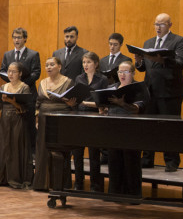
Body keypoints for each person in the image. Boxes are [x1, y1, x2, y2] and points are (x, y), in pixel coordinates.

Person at [134, 12, 183, 172]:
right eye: (156, 24)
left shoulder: (179, 41)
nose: (158, 27)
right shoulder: (149, 42)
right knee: (149, 127)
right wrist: (139, 62)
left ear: (170, 25)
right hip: (150, 91)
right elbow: (144, 68)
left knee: (169, 128)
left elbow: (182, 62)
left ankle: (172, 162)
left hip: (170, 92)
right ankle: (147, 159)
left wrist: (163, 60)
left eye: (162, 24)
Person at [33, 56, 77, 191]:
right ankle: (42, 183)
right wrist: (36, 119)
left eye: (52, 64)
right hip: (43, 119)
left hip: (60, 119)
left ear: (59, 66)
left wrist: (71, 105)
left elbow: (74, 103)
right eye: (47, 65)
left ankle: (59, 184)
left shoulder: (68, 82)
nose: (49, 67)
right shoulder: (42, 82)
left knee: (59, 152)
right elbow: (38, 103)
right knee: (42, 150)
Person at [105, 61, 147, 196]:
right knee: (114, 162)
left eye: (126, 72)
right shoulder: (112, 88)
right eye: (120, 72)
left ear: (133, 73)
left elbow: (136, 109)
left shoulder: (139, 89)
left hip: (131, 131)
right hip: (113, 130)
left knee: (131, 163)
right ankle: (114, 193)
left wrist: (122, 104)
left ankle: (132, 195)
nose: (122, 75)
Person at [73, 51, 109, 191]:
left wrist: (87, 103)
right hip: (80, 117)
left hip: (95, 117)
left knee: (94, 153)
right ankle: (78, 183)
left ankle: (95, 184)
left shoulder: (102, 79)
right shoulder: (79, 78)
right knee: (77, 153)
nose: (85, 65)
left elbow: (103, 103)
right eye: (84, 62)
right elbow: (77, 100)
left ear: (96, 63)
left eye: (88, 62)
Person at [0, 62, 33, 189]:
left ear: (20, 73)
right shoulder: (4, 86)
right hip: (5, 120)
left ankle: (17, 178)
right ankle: (5, 177)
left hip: (18, 120)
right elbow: (0, 107)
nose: (10, 74)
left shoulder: (24, 87)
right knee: (5, 147)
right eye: (9, 71)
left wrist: (11, 101)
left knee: (16, 147)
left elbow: (23, 109)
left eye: (14, 71)